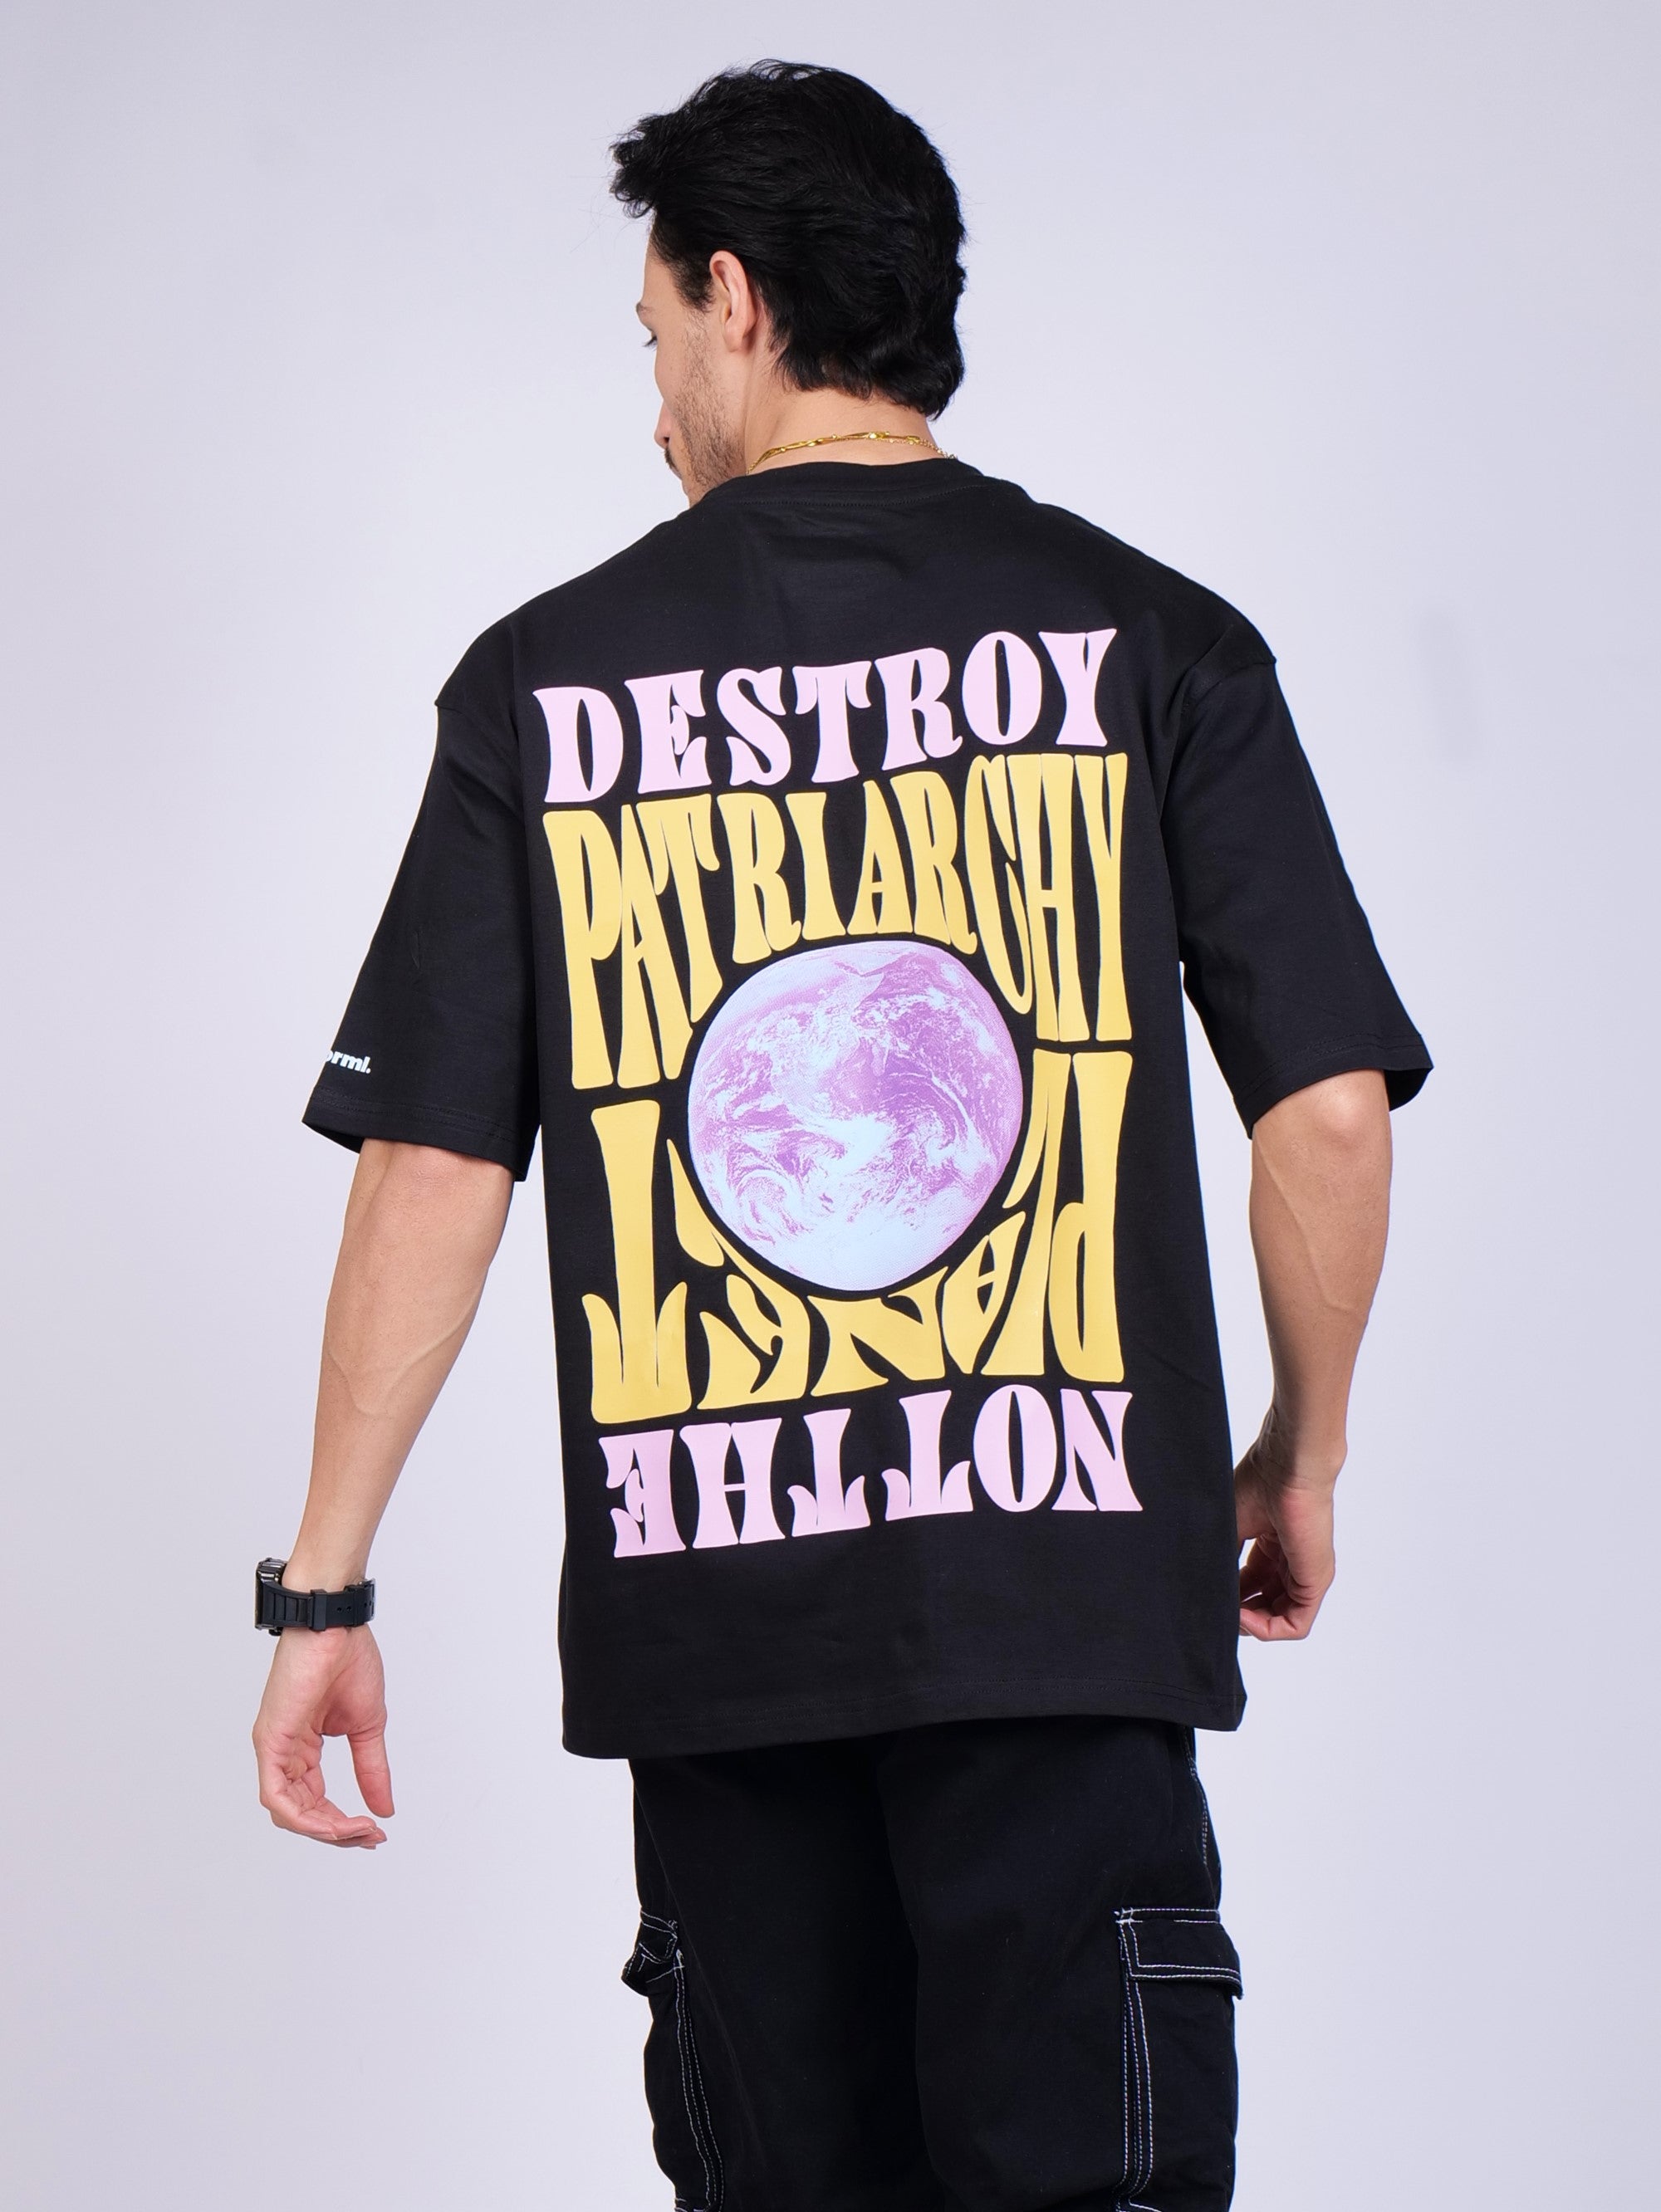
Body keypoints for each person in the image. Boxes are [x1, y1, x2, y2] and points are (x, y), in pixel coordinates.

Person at [252, 60, 1429, 2212]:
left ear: (736, 297)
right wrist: (1298, 1451)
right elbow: (1329, 1111)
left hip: (725, 1634)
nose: (653, 400)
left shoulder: (543, 686)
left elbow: (431, 1164)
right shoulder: (1160, 641)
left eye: (653, 337)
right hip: (1068, 1605)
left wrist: (322, 1583)